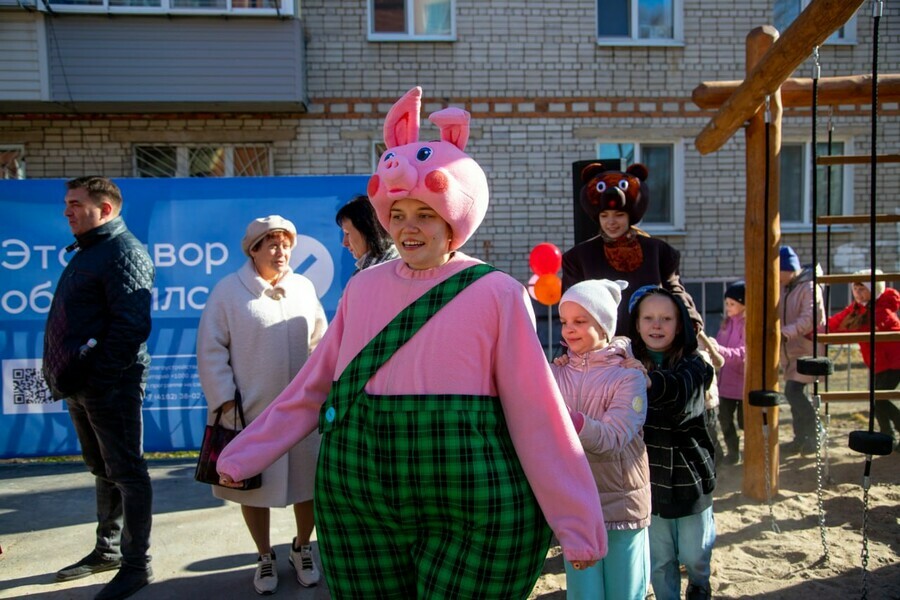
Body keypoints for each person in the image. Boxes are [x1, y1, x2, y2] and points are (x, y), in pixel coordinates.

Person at [216, 86, 607, 598]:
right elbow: (314, 386)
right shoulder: (362, 287)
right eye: (398, 215)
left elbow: (537, 412)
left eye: (424, 214)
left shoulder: (498, 292)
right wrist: (248, 451)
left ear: (453, 220)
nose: (408, 229)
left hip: (471, 497)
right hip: (362, 492)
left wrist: (576, 520)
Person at [196, 215, 328, 594]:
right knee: (249, 486)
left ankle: (302, 548)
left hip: (303, 413)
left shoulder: (303, 287)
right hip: (249, 411)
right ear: (253, 251)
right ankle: (264, 555)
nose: (281, 251)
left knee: (310, 486)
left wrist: (323, 391)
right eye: (271, 244)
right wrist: (224, 402)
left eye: (286, 244)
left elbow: (321, 343)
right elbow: (210, 350)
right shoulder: (227, 291)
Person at [42, 176, 155, 600]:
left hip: (110, 385)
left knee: (128, 472)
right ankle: (107, 550)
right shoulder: (92, 249)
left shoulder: (123, 252)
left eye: (75, 203)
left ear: (105, 209)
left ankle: (136, 565)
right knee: (102, 468)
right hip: (85, 386)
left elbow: (132, 326)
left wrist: (99, 379)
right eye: (66, 203)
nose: (67, 211)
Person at [551, 279, 651, 600]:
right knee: (583, 594)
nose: (569, 329)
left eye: (580, 321)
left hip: (621, 506)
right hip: (577, 504)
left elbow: (614, 437)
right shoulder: (556, 374)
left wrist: (571, 419)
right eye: (564, 321)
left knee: (625, 592)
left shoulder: (628, 377)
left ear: (604, 325)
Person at [626, 285, 715, 600]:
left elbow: (682, 398)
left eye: (666, 318)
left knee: (694, 552)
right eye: (648, 318)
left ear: (680, 326)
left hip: (689, 477)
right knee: (660, 558)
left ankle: (700, 581)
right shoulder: (625, 363)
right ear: (636, 324)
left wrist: (649, 381)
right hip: (650, 479)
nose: (656, 325)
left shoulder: (695, 365)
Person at [562, 162, 702, 336]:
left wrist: (690, 319)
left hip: (653, 345)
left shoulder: (659, 252)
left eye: (619, 215)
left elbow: (675, 291)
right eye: (605, 216)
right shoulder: (578, 258)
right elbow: (572, 306)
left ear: (630, 216)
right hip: (604, 350)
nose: (611, 222)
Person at [827, 269, 900, 451]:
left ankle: (891, 433)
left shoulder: (881, 309)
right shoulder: (858, 308)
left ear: (874, 289)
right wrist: (818, 331)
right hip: (879, 362)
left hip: (894, 362)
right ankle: (887, 436)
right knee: (876, 399)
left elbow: (861, 327)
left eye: (862, 289)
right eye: (855, 289)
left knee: (879, 399)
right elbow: (837, 323)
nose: (858, 293)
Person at [778, 245, 826, 455]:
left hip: (806, 348)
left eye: (778, 271)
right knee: (793, 392)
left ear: (789, 269)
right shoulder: (785, 286)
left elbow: (810, 318)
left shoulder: (809, 287)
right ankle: (801, 438)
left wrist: (785, 332)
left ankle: (817, 432)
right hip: (791, 349)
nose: (776, 276)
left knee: (793, 391)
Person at [713, 281, 747, 465]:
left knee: (745, 423)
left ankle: (750, 453)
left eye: (732, 304)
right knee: (725, 420)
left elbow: (743, 353)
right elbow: (719, 344)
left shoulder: (747, 325)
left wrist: (719, 351)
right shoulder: (726, 323)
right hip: (725, 385)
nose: (728, 307)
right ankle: (733, 452)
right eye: (727, 303)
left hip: (742, 385)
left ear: (744, 304)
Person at [334, 194, 399, 272]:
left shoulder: (392, 268)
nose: (344, 243)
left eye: (347, 233)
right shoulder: (371, 268)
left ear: (368, 230)